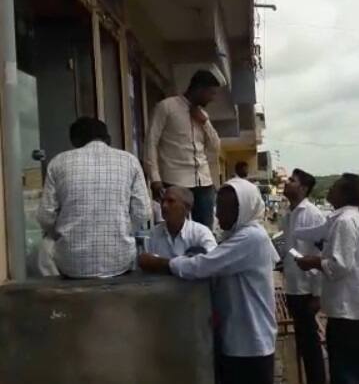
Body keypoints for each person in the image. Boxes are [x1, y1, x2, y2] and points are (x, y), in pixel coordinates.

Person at [139, 177, 279, 384]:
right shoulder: (234, 236)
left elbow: (203, 266)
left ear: (243, 209)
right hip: (234, 338)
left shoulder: (251, 238)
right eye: (217, 206)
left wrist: (161, 264)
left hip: (250, 341)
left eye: (224, 208)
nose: (217, 213)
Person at [37, 117, 150, 278]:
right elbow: (143, 212)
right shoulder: (130, 161)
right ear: (107, 139)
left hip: (71, 264)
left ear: (74, 140)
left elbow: (45, 217)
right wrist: (122, 229)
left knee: (46, 244)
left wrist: (63, 231)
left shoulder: (58, 162)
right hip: (119, 260)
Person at [297, 173, 359, 384]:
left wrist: (314, 262)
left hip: (347, 311)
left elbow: (340, 265)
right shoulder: (353, 219)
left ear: (344, 193)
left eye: (335, 186)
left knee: (345, 373)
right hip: (356, 310)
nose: (330, 189)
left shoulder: (345, 221)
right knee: (357, 370)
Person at [145, 69, 221, 229]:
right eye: (211, 93)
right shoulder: (166, 107)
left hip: (203, 181)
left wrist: (204, 122)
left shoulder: (202, 115)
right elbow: (151, 142)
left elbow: (216, 146)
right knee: (176, 230)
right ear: (200, 89)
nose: (213, 99)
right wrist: (155, 178)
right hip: (175, 180)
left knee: (205, 231)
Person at [281, 169, 327, 384]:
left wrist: (317, 294)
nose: (287, 182)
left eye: (292, 180)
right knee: (302, 342)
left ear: (304, 188)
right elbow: (292, 249)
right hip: (292, 287)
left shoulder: (312, 214)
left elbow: (319, 254)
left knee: (310, 345)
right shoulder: (289, 214)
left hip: (306, 290)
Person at [147, 186, 217, 258]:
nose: (164, 206)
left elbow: (212, 260)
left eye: (171, 201)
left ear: (187, 207)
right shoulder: (154, 233)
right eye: (162, 201)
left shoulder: (201, 232)